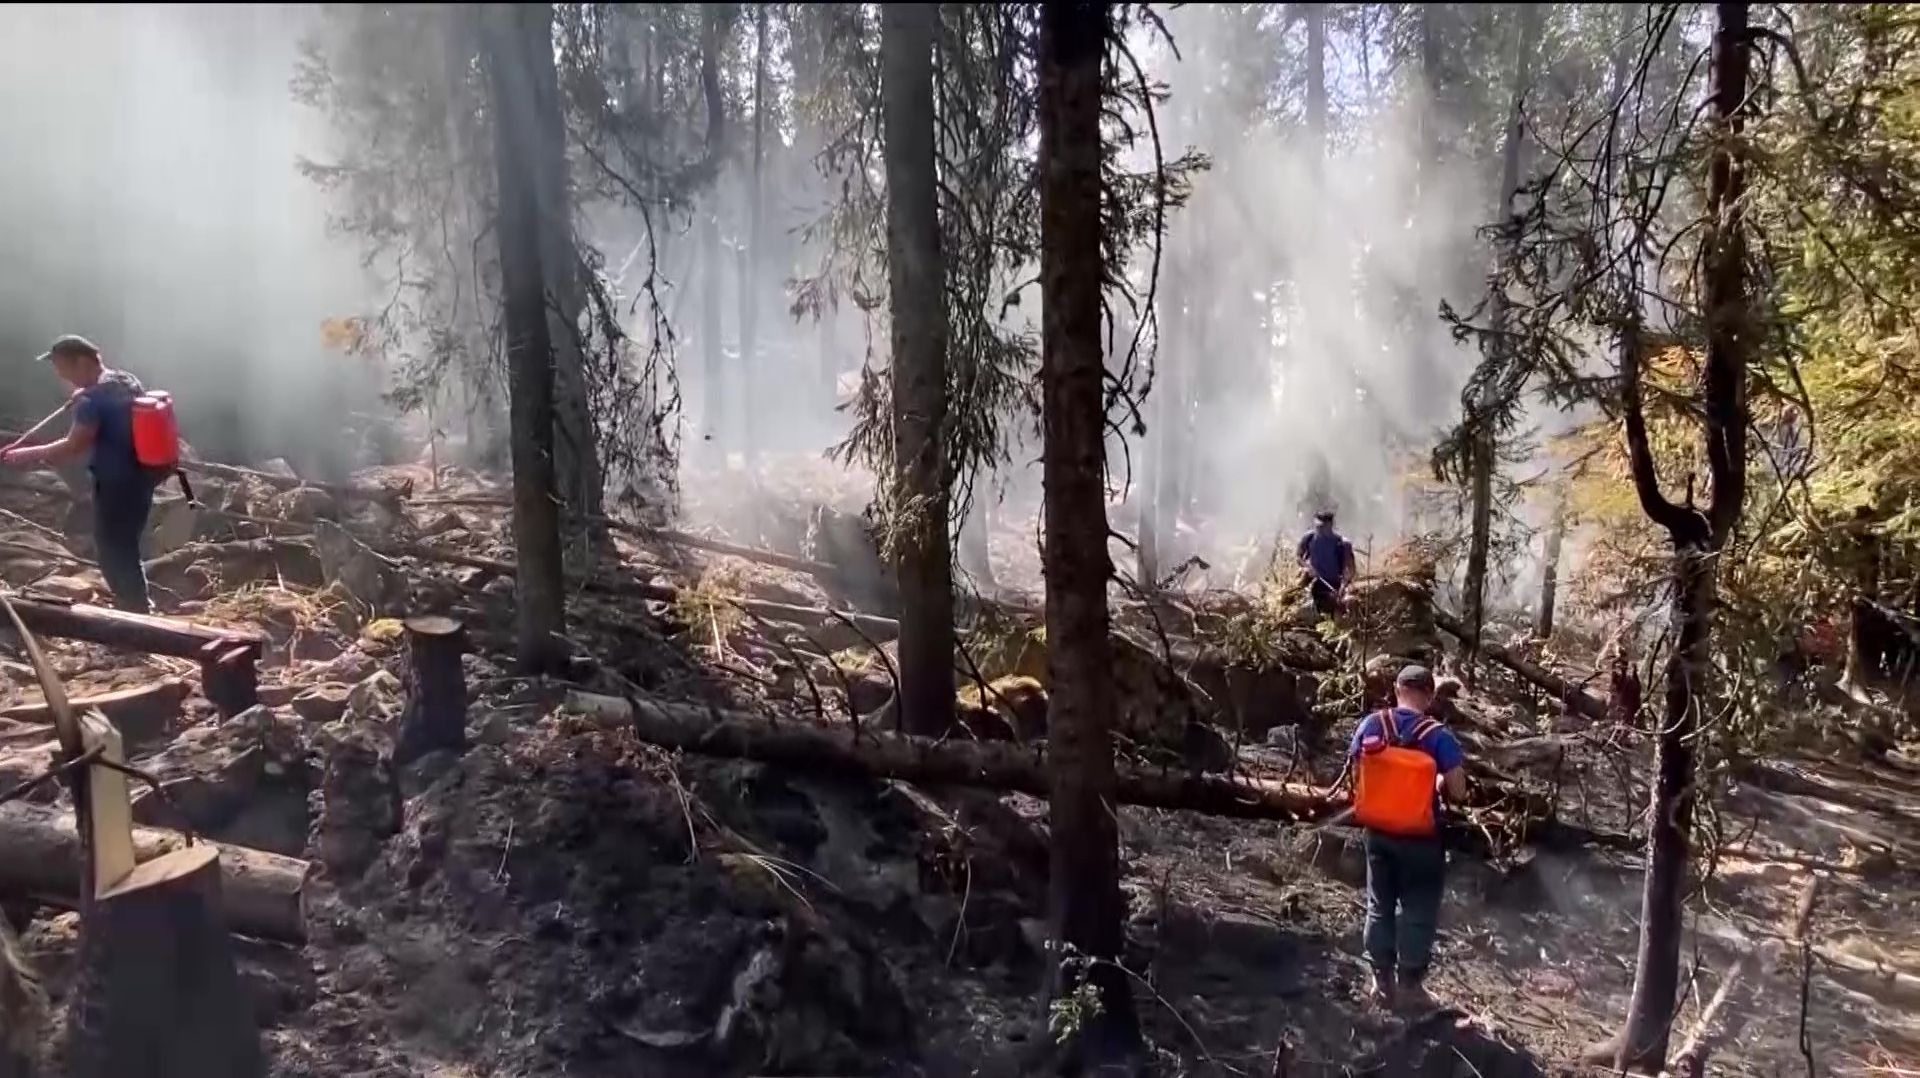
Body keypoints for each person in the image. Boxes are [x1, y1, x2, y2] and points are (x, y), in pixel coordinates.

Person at [1, 336, 159, 613]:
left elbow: (73, 446)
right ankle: (139, 603)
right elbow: (114, 407)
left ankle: (135, 611)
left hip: (115, 482)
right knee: (127, 544)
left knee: (112, 548)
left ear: (83, 361)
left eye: (63, 367)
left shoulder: (92, 402)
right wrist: (85, 393)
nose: (60, 375)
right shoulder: (124, 380)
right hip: (141, 477)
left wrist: (24, 454)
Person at [1348, 664, 1469, 1011]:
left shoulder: (1372, 725)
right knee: (1418, 908)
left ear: (1397, 690)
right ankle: (1411, 985)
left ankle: (1379, 982)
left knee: (1379, 905)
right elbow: (1458, 792)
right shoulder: (1438, 735)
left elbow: (1357, 773)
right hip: (1421, 839)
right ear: (1429, 697)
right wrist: (1441, 784)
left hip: (1378, 833)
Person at [1296, 510, 1356, 616]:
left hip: (1335, 584)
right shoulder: (1309, 538)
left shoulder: (1342, 543)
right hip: (1315, 583)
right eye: (1317, 526)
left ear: (1330, 525)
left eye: (1323, 526)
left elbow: (1350, 569)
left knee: (1342, 604)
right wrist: (1307, 567)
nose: (1319, 529)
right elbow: (1299, 557)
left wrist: (1343, 586)